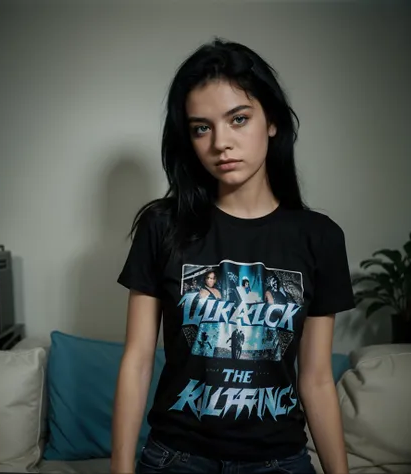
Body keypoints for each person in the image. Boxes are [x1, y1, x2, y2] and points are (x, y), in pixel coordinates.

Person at [111, 37, 355, 474]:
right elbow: (137, 360)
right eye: (201, 127)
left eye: (238, 119)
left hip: (278, 460)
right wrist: (120, 469)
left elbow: (316, 379)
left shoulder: (319, 237)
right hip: (176, 457)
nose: (220, 142)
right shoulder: (161, 227)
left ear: (273, 122)